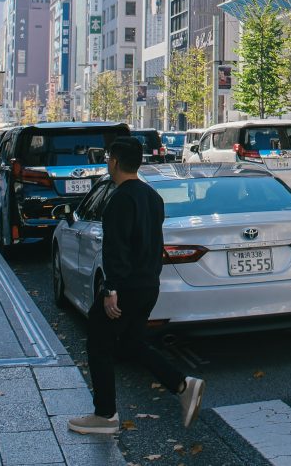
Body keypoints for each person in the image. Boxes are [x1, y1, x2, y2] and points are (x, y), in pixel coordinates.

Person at [68, 138, 205, 435]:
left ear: (114, 162)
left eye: (108, 158)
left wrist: (110, 289)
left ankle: (105, 415)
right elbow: (153, 244)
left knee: (98, 342)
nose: (107, 163)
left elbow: (116, 249)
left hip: (125, 287)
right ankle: (182, 384)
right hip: (147, 285)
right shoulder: (153, 197)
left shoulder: (119, 199)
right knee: (131, 343)